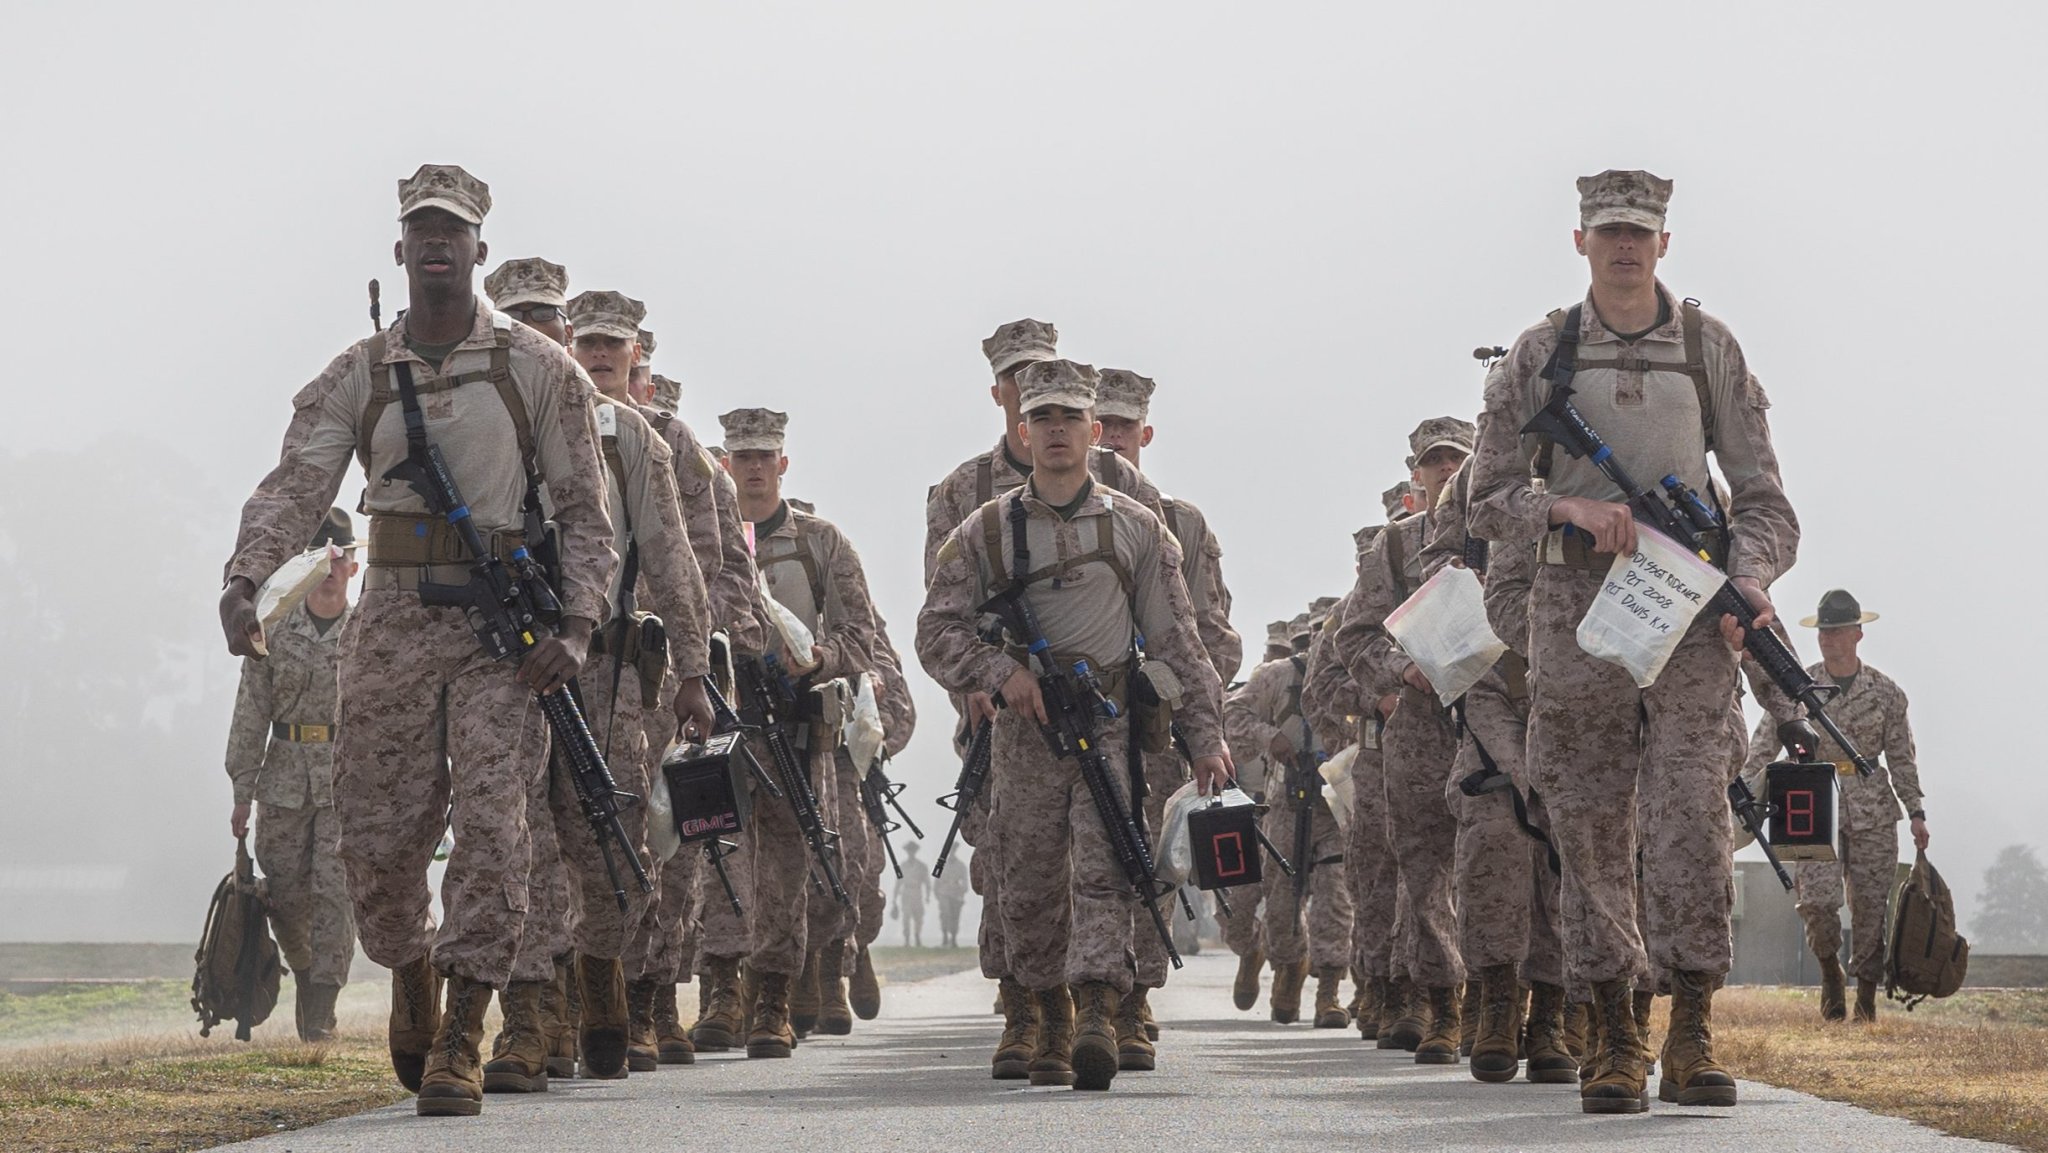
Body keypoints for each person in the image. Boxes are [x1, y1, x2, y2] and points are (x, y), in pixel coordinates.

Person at [218, 164, 617, 1117]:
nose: (438, 242)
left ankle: (464, 1031)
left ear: (479, 248)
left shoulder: (538, 369)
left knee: (494, 819)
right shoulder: (359, 373)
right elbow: (295, 487)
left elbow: (584, 511)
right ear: (401, 250)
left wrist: (577, 625)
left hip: (500, 632)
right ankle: (410, 967)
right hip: (392, 617)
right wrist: (244, 581)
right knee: (376, 834)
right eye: (422, 229)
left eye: (455, 230)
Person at [1468, 169, 1800, 1114]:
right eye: (1609, 229)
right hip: (1577, 606)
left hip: (1689, 607)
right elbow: (1486, 500)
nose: (1625, 245)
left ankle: (1691, 1025)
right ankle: (1614, 1029)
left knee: (1691, 810)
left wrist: (1750, 575)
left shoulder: (1707, 347)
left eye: (1640, 231)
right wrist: (1563, 507)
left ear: (1664, 242)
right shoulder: (1540, 352)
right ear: (1581, 240)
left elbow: (1765, 500)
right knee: (1587, 820)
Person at [916, 358, 1230, 1092]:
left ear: (1094, 431)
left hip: (1110, 723)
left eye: (1070, 418)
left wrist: (1207, 734)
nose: (1056, 431)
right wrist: (1001, 673)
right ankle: (1045, 1013)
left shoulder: (1138, 528)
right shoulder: (985, 530)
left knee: (1106, 864)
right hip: (1025, 732)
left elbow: (1179, 642)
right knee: (1028, 880)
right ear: (1023, 430)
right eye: (1042, 418)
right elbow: (935, 630)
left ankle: (1096, 1007)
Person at [698, 407, 881, 1060]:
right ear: (724, 464)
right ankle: (722, 989)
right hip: (719, 725)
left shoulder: (822, 544)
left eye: (763, 457)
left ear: (782, 463)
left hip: (794, 729)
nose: (752, 468)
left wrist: (818, 659)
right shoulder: (701, 538)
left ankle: (774, 996)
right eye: (741, 457)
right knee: (718, 859)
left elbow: (861, 636)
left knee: (787, 868)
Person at [1092, 366, 1241, 1061]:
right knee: (1083, 859)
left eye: (1125, 425)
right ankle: (1083, 993)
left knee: (1150, 859)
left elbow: (1213, 634)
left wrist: (1190, 708)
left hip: (1156, 726)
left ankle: (1134, 1001)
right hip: (1078, 724)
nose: (1112, 438)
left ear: (1145, 433)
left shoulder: (1181, 524)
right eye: (1102, 424)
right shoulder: (1042, 519)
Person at [1330, 418, 1473, 1064]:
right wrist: (1398, 673)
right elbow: (1354, 637)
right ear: (1416, 473)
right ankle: (1437, 1003)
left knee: (1503, 857)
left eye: (1456, 458)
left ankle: (1505, 1000)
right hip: (1419, 727)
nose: (1446, 468)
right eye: (1434, 460)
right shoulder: (1393, 547)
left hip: (1495, 715)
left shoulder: (1502, 530)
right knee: (1421, 868)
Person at [1743, 589, 1923, 1024]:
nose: (1829, 639)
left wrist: (1916, 811)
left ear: (1858, 634)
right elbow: (1766, 740)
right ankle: (1829, 971)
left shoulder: (1886, 693)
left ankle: (1866, 996)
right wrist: (1743, 786)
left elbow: (1902, 756)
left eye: (1838, 631)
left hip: (1872, 808)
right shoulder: (1797, 686)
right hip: (1812, 804)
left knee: (1870, 906)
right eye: (1824, 631)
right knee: (1818, 901)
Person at [223, 507, 361, 1043]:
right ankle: (304, 974)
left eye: (340, 559)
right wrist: (242, 789)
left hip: (343, 780)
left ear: (353, 567)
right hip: (281, 780)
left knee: (336, 894)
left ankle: (322, 1006)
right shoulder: (274, 627)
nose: (331, 568)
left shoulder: (366, 633)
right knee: (283, 895)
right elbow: (251, 709)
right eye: (321, 559)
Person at [1232, 608, 1354, 1029]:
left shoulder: (1356, 677)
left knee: (1335, 898)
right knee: (1282, 899)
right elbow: (1234, 716)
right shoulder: (1278, 675)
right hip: (1286, 802)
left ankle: (1329, 991)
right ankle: (1288, 967)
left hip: (1338, 804)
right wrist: (1272, 738)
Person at [893, 843, 932, 947]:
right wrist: (894, 898)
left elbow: (927, 883)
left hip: (917, 893)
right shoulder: (902, 866)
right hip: (906, 893)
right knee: (906, 917)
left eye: (912, 851)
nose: (911, 853)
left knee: (918, 918)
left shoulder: (922, 866)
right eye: (909, 851)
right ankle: (906, 939)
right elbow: (898, 883)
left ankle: (917, 936)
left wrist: (928, 896)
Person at [936, 846, 971, 948]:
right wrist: (937, 894)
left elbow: (965, 882)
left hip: (956, 895)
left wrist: (962, 890)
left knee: (955, 917)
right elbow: (937, 880)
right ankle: (945, 937)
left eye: (952, 850)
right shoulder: (942, 864)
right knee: (945, 915)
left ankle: (953, 938)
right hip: (944, 893)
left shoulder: (961, 866)